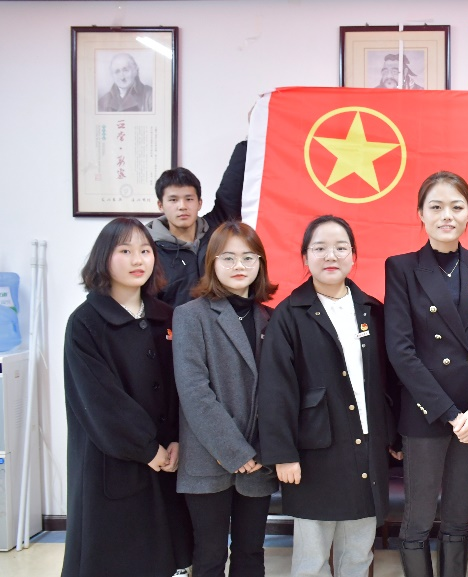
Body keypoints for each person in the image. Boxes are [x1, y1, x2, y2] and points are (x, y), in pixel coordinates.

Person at [258, 215, 395, 577]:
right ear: (305, 257)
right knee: (312, 558)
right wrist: (283, 454)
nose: (330, 256)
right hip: (314, 452)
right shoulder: (289, 314)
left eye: (340, 248)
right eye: (319, 248)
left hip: (366, 447)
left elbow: (389, 381)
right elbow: (275, 389)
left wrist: (393, 437)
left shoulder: (372, 310)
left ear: (353, 256)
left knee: (358, 553)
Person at [384, 171, 468, 577]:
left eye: (456, 207)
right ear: (420, 213)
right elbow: (401, 351)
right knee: (417, 520)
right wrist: (450, 413)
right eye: (436, 207)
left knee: (457, 519)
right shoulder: (402, 267)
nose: (446, 215)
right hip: (427, 412)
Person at [62, 217, 191, 577]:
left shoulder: (167, 317)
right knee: (117, 556)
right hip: (114, 458)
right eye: (125, 251)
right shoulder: (85, 323)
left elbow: (185, 385)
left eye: (145, 251)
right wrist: (146, 448)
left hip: (169, 457)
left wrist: (178, 438)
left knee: (167, 555)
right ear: (104, 258)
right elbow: (99, 400)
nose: (138, 260)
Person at [173, 222, 279, 577]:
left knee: (251, 552)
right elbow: (194, 392)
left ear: (260, 263)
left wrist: (259, 451)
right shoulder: (190, 315)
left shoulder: (270, 318)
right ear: (212, 262)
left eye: (249, 257)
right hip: (208, 455)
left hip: (259, 458)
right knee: (209, 555)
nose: (239, 266)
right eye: (228, 257)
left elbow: (279, 392)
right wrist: (236, 452)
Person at [146, 166, 240, 307]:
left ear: (199, 203)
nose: (182, 206)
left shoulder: (216, 231)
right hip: (174, 321)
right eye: (173, 200)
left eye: (189, 199)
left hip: (222, 320)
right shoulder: (148, 250)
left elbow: (232, 187)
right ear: (160, 205)